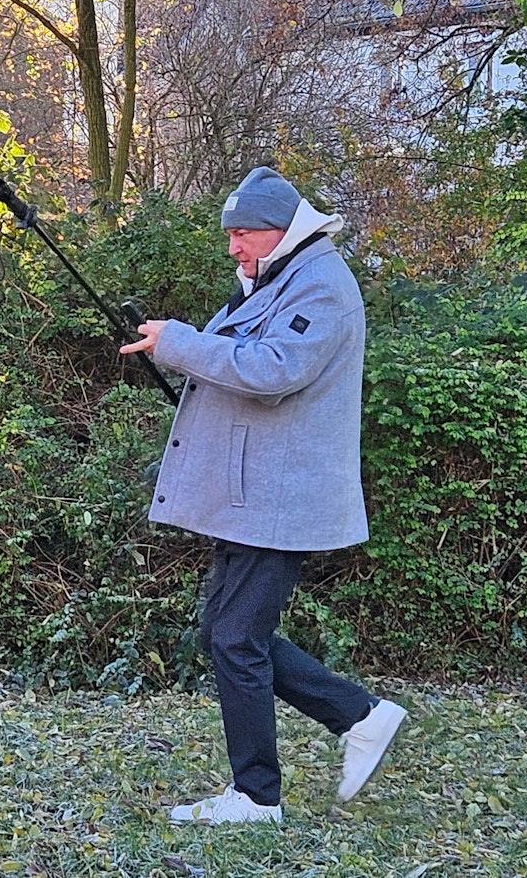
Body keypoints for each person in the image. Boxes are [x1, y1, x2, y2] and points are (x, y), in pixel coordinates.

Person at [119, 166, 407, 825]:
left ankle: (257, 797)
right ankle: (358, 717)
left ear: (281, 230)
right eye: (230, 235)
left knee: (236, 636)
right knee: (226, 632)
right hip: (254, 493)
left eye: (242, 234)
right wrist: (174, 347)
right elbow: (236, 354)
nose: (233, 247)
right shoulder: (279, 281)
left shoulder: (324, 285)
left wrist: (183, 344)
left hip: (278, 497)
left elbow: (276, 370)